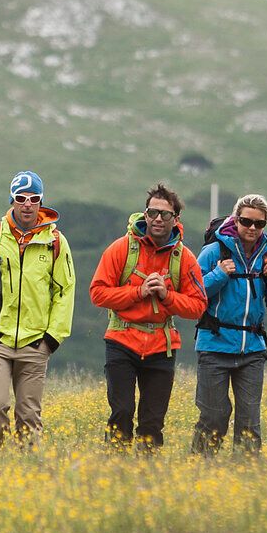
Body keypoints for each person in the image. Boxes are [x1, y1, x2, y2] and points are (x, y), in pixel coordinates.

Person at [0, 170, 77, 446]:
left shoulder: (56, 242)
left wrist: (52, 339)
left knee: (29, 417)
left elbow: (65, 290)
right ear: (12, 199)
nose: (27, 204)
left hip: (36, 344)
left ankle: (29, 475)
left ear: (41, 202)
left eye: (33, 198)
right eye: (21, 198)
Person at [88, 184, 207, 449]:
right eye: (152, 213)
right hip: (121, 339)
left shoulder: (184, 258)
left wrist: (167, 296)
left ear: (175, 219)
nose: (157, 219)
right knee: (122, 413)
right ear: (145, 214)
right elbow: (97, 293)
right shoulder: (121, 249)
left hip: (161, 345)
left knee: (153, 421)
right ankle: (115, 469)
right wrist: (138, 292)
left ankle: (146, 474)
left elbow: (198, 305)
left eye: (165, 215)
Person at [192, 193, 267, 453]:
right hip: (214, 346)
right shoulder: (213, 252)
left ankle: (245, 474)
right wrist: (219, 275)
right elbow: (193, 296)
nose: (252, 228)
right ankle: (199, 469)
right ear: (235, 220)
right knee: (214, 416)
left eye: (259, 224)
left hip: (252, 351)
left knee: (249, 422)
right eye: (247, 221)